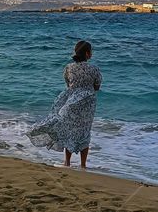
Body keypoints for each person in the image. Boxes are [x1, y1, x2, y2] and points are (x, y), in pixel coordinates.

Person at [27, 40, 102, 169]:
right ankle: (83, 165)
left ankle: (67, 162)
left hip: (71, 102)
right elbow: (97, 86)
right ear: (88, 54)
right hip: (88, 104)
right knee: (85, 132)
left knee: (69, 130)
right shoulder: (94, 69)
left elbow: (68, 85)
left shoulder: (69, 68)